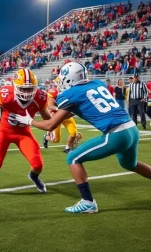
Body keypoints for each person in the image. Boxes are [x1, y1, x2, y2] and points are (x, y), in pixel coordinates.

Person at [10, 62, 151, 213]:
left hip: (116, 134)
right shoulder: (97, 83)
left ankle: (88, 202)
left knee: (73, 158)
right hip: (131, 129)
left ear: (69, 79)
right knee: (130, 164)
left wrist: (28, 120)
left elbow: (50, 125)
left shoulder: (70, 94)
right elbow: (88, 106)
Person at [0, 68, 51, 196]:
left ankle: (34, 177)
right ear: (15, 86)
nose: (27, 92)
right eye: (23, 88)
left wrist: (51, 129)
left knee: (38, 164)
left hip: (24, 133)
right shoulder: (6, 94)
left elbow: (47, 118)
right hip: (4, 132)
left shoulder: (40, 97)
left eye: (30, 88)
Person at [43, 80, 82, 153]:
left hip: (67, 116)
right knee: (56, 140)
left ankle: (67, 148)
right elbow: (50, 105)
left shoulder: (71, 92)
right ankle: (46, 137)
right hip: (56, 117)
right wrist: (61, 109)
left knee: (73, 133)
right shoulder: (54, 92)